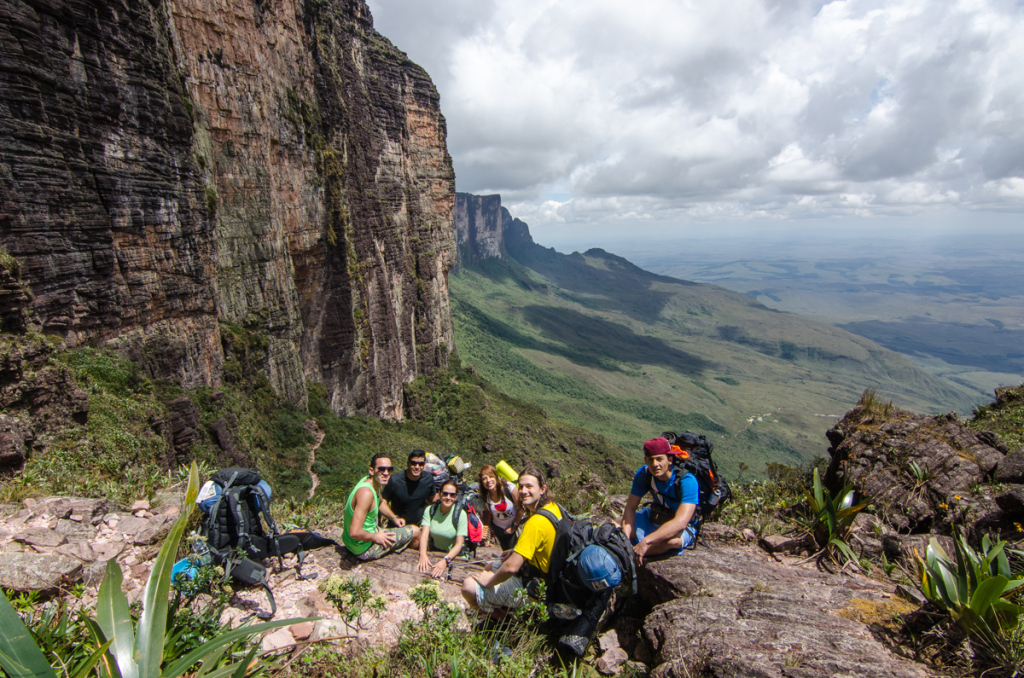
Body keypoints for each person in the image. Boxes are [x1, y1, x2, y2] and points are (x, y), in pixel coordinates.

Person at [461, 468, 562, 615]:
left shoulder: (535, 523)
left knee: (468, 586)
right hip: (550, 575)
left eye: (529, 486)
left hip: (536, 589)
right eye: (521, 486)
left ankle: (501, 621)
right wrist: (514, 551)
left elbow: (511, 568)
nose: (522, 491)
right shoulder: (553, 507)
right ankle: (502, 606)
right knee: (491, 565)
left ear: (542, 489)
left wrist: (490, 581)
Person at [621, 437, 699, 565]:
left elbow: (680, 523)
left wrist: (646, 541)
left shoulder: (687, 481)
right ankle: (626, 550)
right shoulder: (644, 474)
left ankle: (629, 556)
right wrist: (624, 537)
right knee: (616, 526)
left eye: (659, 459)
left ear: (669, 459)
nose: (655, 464)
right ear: (645, 460)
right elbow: (630, 508)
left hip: (680, 526)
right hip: (655, 516)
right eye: (650, 460)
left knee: (672, 542)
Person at [342, 452, 418, 560]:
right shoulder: (366, 493)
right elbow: (354, 532)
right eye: (381, 469)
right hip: (363, 548)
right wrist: (376, 537)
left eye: (389, 469)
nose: (386, 473)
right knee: (415, 531)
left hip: (352, 542)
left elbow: (380, 502)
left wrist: (394, 518)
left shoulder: (371, 482)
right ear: (371, 470)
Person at [417, 480, 468, 579]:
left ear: (456, 496)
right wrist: (423, 554)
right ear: (439, 494)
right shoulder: (430, 510)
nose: (448, 498)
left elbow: (459, 544)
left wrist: (445, 560)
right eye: (445, 494)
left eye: (452, 495)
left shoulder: (460, 515)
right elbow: (424, 535)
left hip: (453, 556)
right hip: (435, 551)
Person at [381, 450, 436, 536]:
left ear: (424, 465)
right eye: (413, 463)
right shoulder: (395, 481)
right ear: (408, 464)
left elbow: (432, 499)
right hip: (397, 528)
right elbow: (382, 503)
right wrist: (393, 518)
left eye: (420, 464)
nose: (417, 467)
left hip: (418, 529)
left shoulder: (428, 479)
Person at [477, 465, 521, 550]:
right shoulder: (485, 495)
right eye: (484, 479)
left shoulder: (509, 488)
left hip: (515, 528)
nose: (488, 481)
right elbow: (489, 514)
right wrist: (487, 532)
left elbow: (522, 508)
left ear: (496, 477)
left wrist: (513, 527)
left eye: (491, 476)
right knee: (506, 554)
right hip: (499, 530)